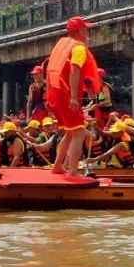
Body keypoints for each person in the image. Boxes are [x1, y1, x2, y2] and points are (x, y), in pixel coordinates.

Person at [44, 16, 99, 176]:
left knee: (70, 132)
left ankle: (57, 166)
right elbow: (75, 71)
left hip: (54, 93)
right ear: (80, 30)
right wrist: (74, 97)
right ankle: (73, 171)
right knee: (79, 132)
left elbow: (49, 70)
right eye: (86, 29)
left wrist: (48, 97)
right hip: (66, 95)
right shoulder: (79, 48)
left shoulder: (61, 46)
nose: (88, 31)